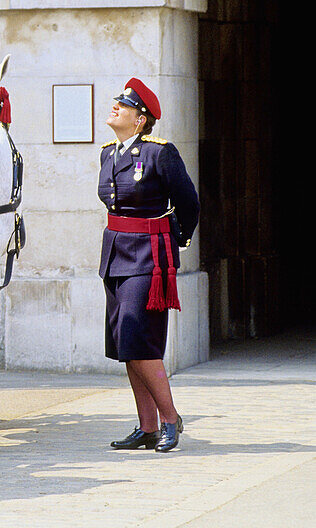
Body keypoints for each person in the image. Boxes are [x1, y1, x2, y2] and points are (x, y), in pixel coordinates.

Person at [98, 78, 199, 453]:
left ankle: (170, 418)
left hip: (149, 258)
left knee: (140, 339)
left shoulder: (161, 153)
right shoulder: (108, 153)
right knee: (125, 343)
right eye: (117, 103)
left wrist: (175, 241)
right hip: (115, 255)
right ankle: (147, 427)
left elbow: (189, 203)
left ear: (140, 119)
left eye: (123, 106)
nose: (115, 108)